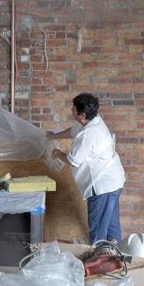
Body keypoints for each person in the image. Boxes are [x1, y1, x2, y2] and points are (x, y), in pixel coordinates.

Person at [47, 93, 126, 244]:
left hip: (101, 185)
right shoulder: (94, 120)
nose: (71, 110)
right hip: (113, 180)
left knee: (98, 231)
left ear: (81, 115)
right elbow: (73, 131)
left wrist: (57, 153)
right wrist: (54, 136)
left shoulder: (88, 135)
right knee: (111, 226)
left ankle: (99, 259)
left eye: (73, 109)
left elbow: (73, 160)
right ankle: (116, 260)